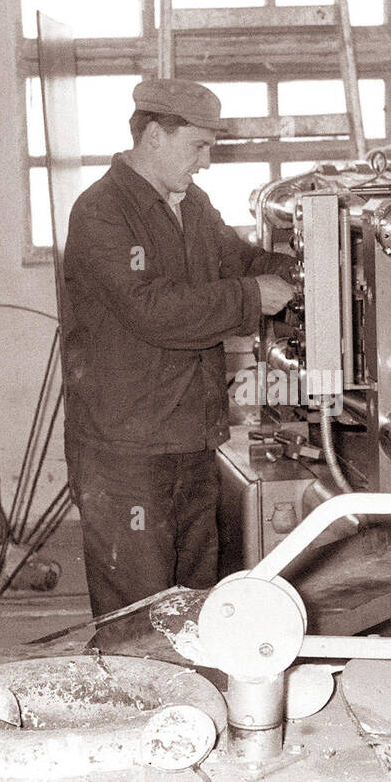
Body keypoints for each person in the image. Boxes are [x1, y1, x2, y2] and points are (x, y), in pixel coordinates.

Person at [61, 78, 296, 617]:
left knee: (195, 599)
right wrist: (251, 297)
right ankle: (138, 698)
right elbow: (152, 309)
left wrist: (299, 270)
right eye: (198, 147)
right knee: (138, 605)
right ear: (152, 137)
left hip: (190, 434)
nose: (206, 162)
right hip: (125, 448)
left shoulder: (190, 205)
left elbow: (237, 260)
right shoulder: (101, 211)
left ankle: (190, 699)